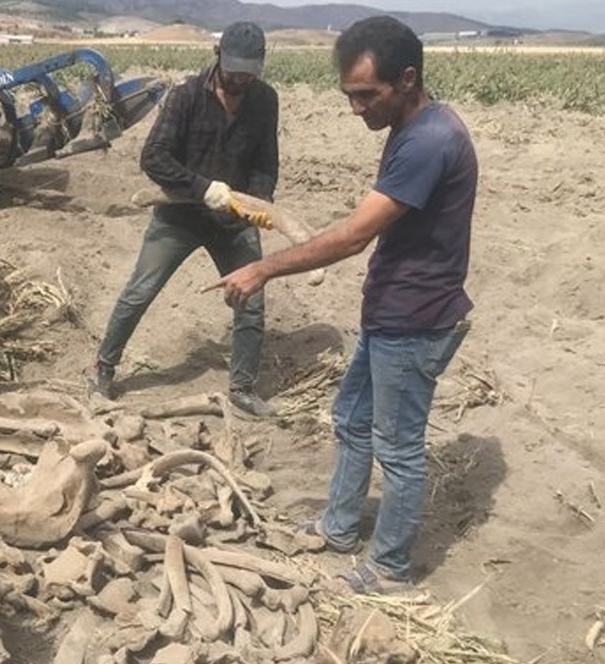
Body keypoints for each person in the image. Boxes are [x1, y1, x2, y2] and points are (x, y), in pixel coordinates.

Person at [204, 16, 478, 594]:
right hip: (391, 312)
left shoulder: (428, 142)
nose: (356, 109)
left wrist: (262, 267)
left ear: (407, 79)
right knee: (352, 420)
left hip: (415, 319)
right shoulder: (414, 126)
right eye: (348, 95)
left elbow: (355, 236)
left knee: (398, 449)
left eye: (366, 95)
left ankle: (390, 569)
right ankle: (339, 527)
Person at [92, 21, 280, 417]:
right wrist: (202, 189)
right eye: (234, 71)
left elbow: (266, 161)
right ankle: (103, 368)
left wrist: (259, 201)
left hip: (234, 221)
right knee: (140, 290)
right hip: (180, 215)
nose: (240, 79)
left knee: (252, 300)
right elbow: (154, 157)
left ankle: (243, 388)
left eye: (249, 73)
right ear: (217, 57)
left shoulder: (265, 100)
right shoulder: (185, 97)